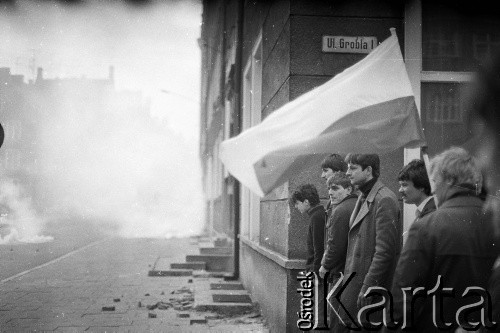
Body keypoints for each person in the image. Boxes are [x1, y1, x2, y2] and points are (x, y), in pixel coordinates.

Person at [391, 147, 498, 332]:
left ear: (449, 180)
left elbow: (404, 295)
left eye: (434, 181)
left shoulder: (426, 227)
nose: (433, 190)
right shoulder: (495, 222)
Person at [336, 153, 401, 331]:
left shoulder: (384, 199)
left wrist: (367, 287)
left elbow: (384, 251)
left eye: (353, 168)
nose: (348, 173)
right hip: (357, 286)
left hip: (370, 291)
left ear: (369, 170)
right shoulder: (364, 196)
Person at [318, 172, 357, 331]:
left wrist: (324, 265)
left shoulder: (340, 210)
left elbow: (335, 245)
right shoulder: (356, 204)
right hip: (353, 270)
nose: (330, 192)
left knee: (336, 317)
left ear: (348, 189)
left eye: (335, 188)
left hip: (340, 272)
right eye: (329, 189)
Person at [291, 184, 327, 328]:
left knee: (318, 314)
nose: (296, 207)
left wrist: (315, 273)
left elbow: (319, 248)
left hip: (317, 272)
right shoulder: (316, 215)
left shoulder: (317, 217)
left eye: (297, 203)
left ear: (306, 202)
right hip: (315, 271)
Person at [397, 159, 436, 242]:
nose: (400, 190)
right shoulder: (425, 211)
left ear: (421, 186)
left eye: (404, 185)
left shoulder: (431, 214)